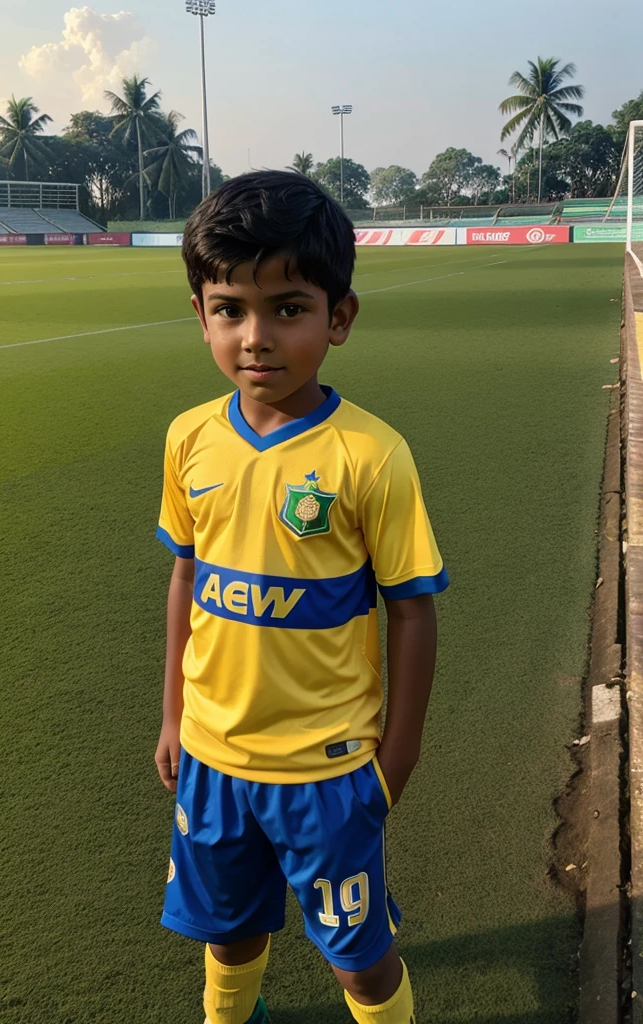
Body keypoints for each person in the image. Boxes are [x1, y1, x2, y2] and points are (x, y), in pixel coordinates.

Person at [154, 170, 449, 1024]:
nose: (255, 337)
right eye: (228, 309)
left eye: (288, 308)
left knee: (359, 959)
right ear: (202, 314)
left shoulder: (371, 455)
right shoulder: (190, 439)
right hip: (213, 759)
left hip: (326, 772)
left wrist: (397, 758)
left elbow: (413, 608)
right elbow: (186, 577)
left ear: (339, 318)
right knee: (229, 933)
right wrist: (175, 715)